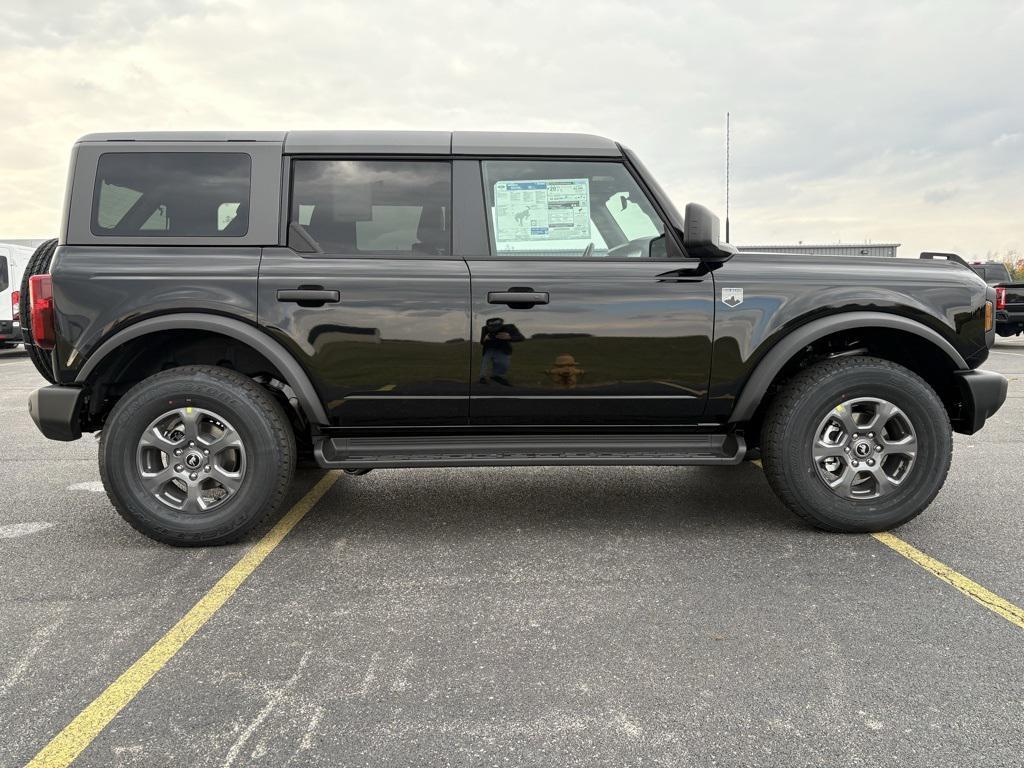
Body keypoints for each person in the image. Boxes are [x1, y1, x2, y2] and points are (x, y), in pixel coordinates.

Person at [479, 317, 524, 386]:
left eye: (496, 325)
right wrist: (485, 339)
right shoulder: (484, 328)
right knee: (485, 364)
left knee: (504, 364)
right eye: (491, 326)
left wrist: (509, 337)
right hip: (489, 348)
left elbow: (520, 337)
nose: (493, 328)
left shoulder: (509, 327)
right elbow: (482, 341)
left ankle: (497, 377)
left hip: (503, 349)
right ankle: (483, 378)